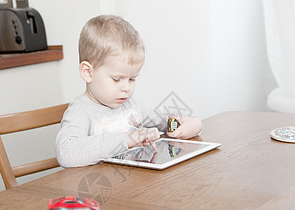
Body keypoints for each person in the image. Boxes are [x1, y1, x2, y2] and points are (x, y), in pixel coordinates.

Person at [55, 15, 202, 168]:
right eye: (117, 79)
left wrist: (194, 124)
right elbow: (67, 153)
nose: (126, 88)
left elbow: (173, 120)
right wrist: (127, 139)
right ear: (88, 73)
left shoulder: (134, 107)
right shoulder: (80, 112)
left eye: (132, 79)